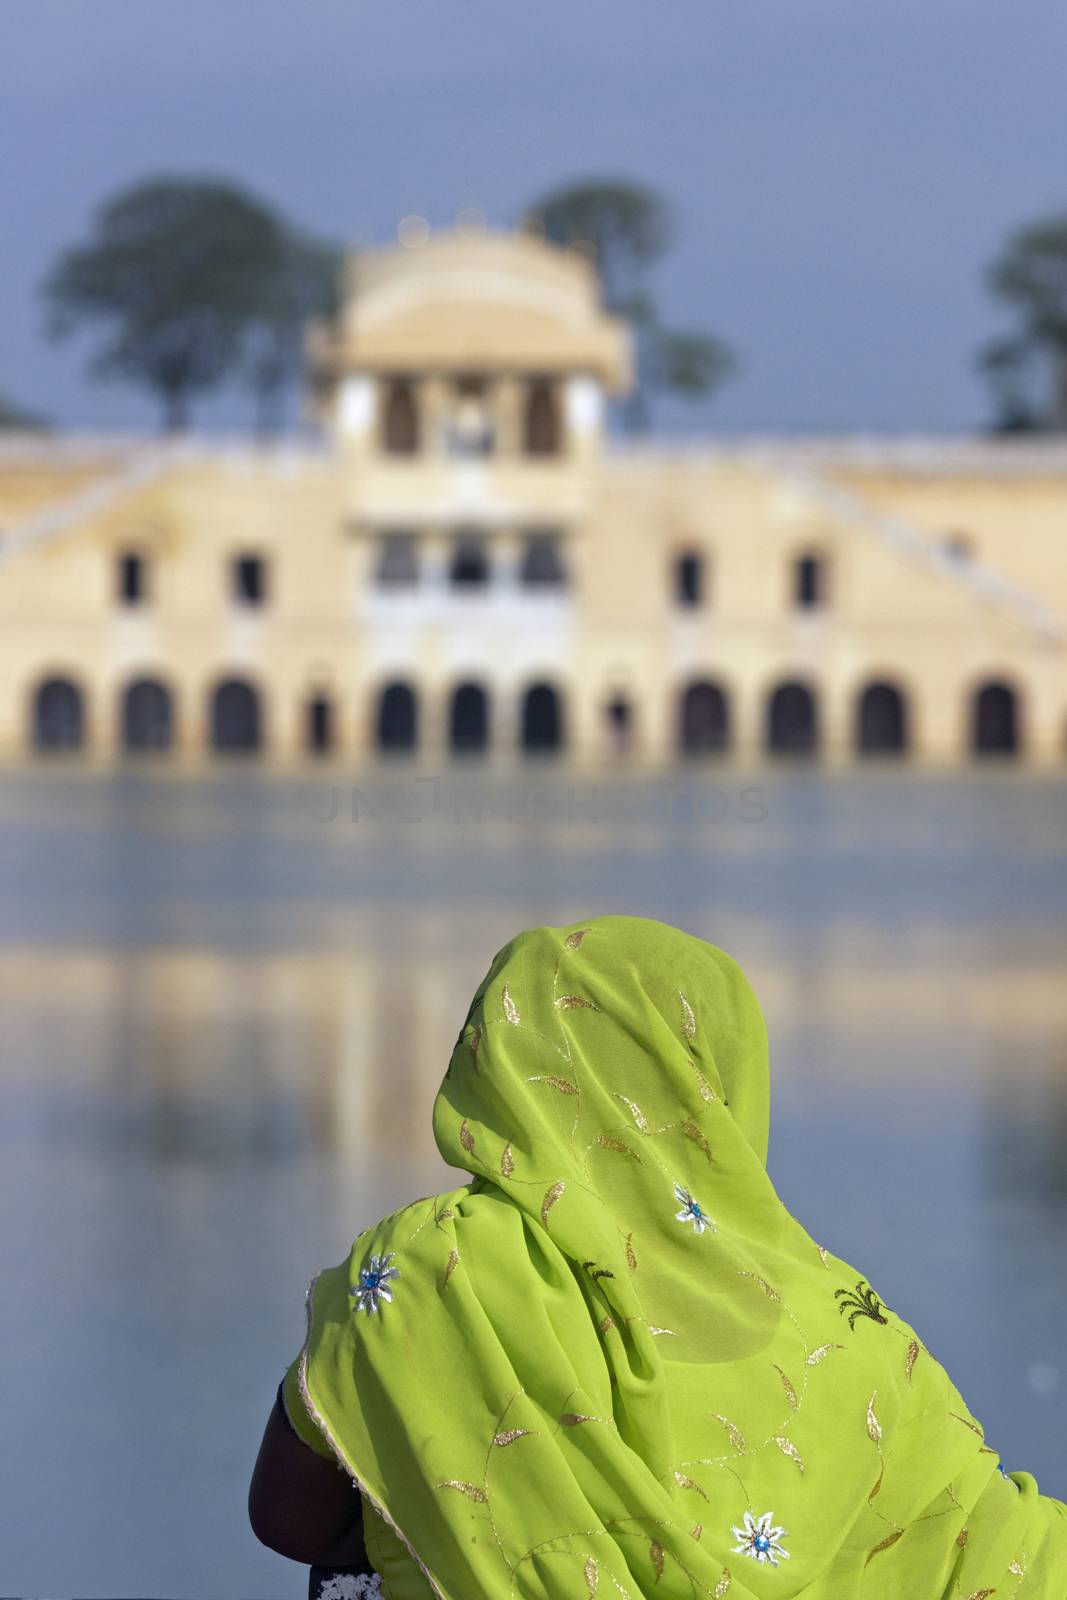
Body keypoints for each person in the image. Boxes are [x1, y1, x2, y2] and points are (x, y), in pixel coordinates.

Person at [249, 915, 1067, 1598]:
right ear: (719, 1082)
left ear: (493, 1058)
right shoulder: (840, 1320)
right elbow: (982, 1546)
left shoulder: (431, 1268)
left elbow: (287, 1521)